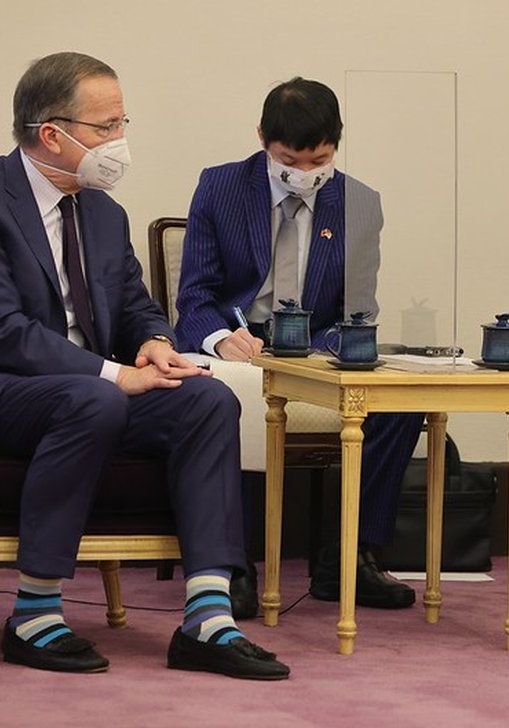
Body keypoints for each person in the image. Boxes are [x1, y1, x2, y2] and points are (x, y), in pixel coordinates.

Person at [0, 52, 289, 680]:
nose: (119, 141)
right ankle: (34, 615)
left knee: (208, 398)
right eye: (106, 127)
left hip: (81, 395)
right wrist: (114, 375)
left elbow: (134, 303)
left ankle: (208, 617)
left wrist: (155, 342)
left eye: (121, 123)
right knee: (95, 397)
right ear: (52, 134)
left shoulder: (104, 211)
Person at [174, 77, 424, 616]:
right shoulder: (220, 187)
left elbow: (358, 311)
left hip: (314, 349)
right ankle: (231, 563)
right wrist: (221, 338)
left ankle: (350, 556)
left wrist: (328, 350)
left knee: (398, 401)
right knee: (224, 399)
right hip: (236, 344)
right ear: (262, 139)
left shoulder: (359, 203)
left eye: (320, 161)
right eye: (290, 161)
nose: (305, 173)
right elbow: (194, 297)